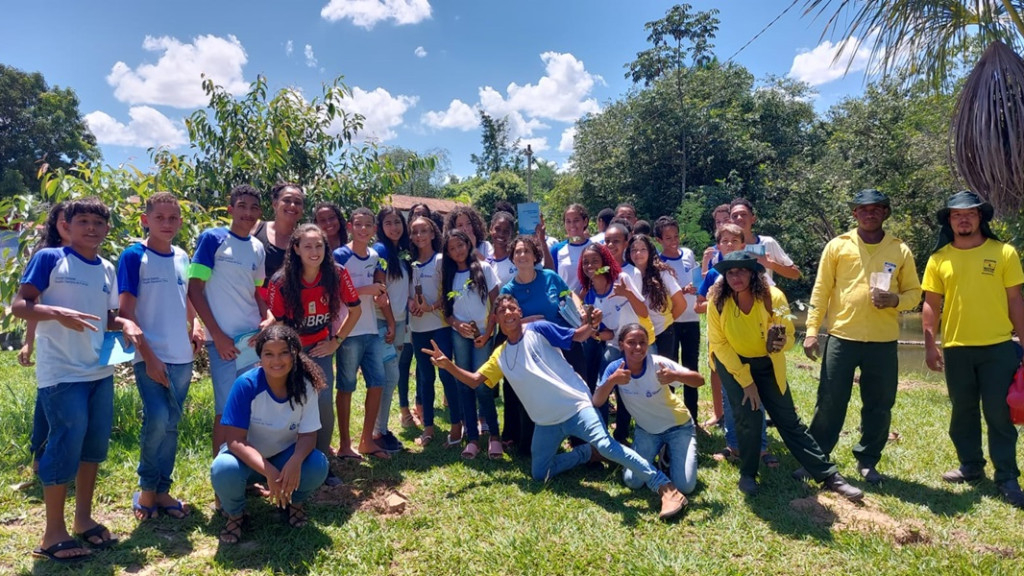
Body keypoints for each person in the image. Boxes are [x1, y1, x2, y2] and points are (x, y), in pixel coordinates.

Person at [421, 294, 688, 520]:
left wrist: (590, 325)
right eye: (501, 311)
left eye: (511, 308)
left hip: (576, 406)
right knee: (541, 474)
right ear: (496, 320)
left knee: (607, 444)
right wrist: (449, 365)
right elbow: (476, 380)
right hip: (546, 422)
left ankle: (665, 488)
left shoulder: (538, 329)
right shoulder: (500, 355)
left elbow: (577, 336)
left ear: (519, 312)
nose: (507, 313)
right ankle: (587, 454)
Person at [14, 197, 143, 561]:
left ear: (106, 229)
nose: (91, 228)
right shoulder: (51, 259)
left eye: (98, 223)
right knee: (64, 444)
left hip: (99, 370)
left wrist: (126, 323)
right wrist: (55, 312)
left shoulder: (106, 268)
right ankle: (51, 533)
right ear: (66, 226)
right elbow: (20, 305)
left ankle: (83, 519)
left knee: (93, 447)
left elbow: (108, 317)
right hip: (62, 372)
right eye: (82, 221)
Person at [706, 252, 862, 501]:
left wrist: (781, 343)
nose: (736, 277)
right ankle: (748, 473)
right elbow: (719, 343)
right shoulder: (717, 300)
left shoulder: (772, 297)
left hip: (768, 363)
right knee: (748, 417)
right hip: (732, 363)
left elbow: (789, 336)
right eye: (731, 272)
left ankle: (829, 475)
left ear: (753, 273)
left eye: (742, 271)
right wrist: (746, 382)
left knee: (788, 420)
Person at [801, 189, 921, 485]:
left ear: (885, 213)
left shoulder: (899, 249)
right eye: (863, 209)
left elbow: (914, 293)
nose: (870, 213)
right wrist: (812, 331)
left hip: (882, 341)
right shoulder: (837, 246)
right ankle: (816, 460)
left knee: (879, 403)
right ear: (854, 214)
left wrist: (895, 300)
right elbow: (821, 290)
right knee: (830, 400)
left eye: (877, 209)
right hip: (842, 336)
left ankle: (868, 460)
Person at [922, 190, 1024, 508]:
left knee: (998, 413)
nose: (963, 218)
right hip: (956, 348)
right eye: (956, 214)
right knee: (962, 411)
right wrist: (929, 344)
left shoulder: (1004, 253)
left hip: (998, 347)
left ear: (981, 218)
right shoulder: (939, 259)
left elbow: (1015, 301)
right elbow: (930, 305)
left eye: (970, 214)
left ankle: (1007, 476)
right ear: (949, 220)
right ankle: (971, 466)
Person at [118, 192, 204, 520]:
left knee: (171, 424)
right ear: (145, 220)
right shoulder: (133, 256)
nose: (167, 224)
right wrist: (149, 358)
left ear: (180, 222)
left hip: (182, 356)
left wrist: (195, 326)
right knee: (156, 420)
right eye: (159, 218)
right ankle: (146, 489)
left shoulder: (182, 256)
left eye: (173, 218)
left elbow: (188, 297)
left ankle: (164, 489)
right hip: (149, 355)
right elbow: (126, 312)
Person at [210, 325, 330, 544]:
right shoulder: (246, 385)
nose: (277, 361)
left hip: (284, 456)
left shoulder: (306, 386)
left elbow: (308, 434)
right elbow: (235, 441)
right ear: (260, 357)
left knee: (317, 464)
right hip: (246, 461)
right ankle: (236, 514)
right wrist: (269, 471)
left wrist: (294, 461)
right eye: (269, 354)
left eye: (284, 352)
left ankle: (294, 503)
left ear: (294, 354)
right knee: (223, 469)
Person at [267, 223, 362, 486]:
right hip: (291, 350)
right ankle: (281, 461)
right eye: (307, 245)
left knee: (322, 403)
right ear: (295, 249)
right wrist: (293, 356)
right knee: (289, 402)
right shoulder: (281, 281)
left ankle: (321, 464)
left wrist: (336, 341)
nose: (314, 251)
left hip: (321, 346)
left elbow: (355, 310)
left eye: (319, 245)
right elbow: (280, 324)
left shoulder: (337, 274)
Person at [188, 184, 273, 458]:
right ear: (230, 209)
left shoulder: (258, 247)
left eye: (254, 208)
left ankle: (244, 473)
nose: (248, 213)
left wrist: (268, 316)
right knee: (224, 411)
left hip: (252, 340)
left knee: (251, 407)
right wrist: (217, 335)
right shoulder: (212, 239)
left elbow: (256, 291)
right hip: (223, 342)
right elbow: (194, 289)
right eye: (242, 206)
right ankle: (221, 483)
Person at [499, 235, 589, 456]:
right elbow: (504, 322)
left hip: (563, 340)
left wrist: (581, 310)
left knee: (575, 388)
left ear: (535, 256)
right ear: (512, 258)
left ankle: (581, 440)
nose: (522, 256)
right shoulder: (508, 290)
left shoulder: (550, 277)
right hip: (533, 352)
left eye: (527, 251)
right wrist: (530, 321)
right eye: (518, 252)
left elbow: (568, 295)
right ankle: (531, 440)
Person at [596, 324, 704, 494]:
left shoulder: (658, 363)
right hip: (646, 431)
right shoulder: (615, 369)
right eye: (631, 342)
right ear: (621, 344)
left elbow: (699, 380)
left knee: (685, 487)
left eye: (642, 342)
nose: (638, 347)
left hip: (679, 427)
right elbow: (597, 401)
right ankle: (661, 452)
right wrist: (611, 381)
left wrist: (676, 376)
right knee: (632, 481)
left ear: (648, 344)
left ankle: (669, 452)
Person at [332, 207, 395, 460]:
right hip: (348, 330)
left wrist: (388, 315)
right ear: (349, 226)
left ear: (374, 229)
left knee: (377, 383)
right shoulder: (340, 255)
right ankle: (345, 444)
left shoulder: (375, 256)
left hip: (371, 328)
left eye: (368, 225)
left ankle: (367, 440)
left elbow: (380, 291)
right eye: (358, 224)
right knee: (346, 387)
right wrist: (367, 288)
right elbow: (335, 292)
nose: (363, 229)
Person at [580, 243, 652, 442]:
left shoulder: (622, 279)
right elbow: (606, 334)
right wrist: (594, 329)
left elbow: (644, 312)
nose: (590, 265)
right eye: (585, 262)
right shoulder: (590, 293)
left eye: (595, 261)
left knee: (632, 392)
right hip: (613, 345)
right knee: (602, 386)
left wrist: (627, 294)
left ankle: (624, 433)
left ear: (605, 262)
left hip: (636, 344)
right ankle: (602, 437)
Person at [19, 201, 70, 475]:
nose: (71, 226)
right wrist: (29, 341)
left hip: (80, 347)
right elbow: (31, 302)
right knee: (46, 400)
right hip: (53, 345)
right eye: (65, 220)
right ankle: (39, 456)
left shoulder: (89, 256)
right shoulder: (47, 256)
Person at [441, 229, 501, 459]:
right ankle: (473, 438)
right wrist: (457, 325)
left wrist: (487, 335)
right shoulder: (448, 275)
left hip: (483, 334)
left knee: (483, 384)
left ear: (468, 244)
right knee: (463, 385)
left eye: (461, 245)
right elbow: (447, 312)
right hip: (460, 335)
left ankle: (494, 436)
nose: (457, 251)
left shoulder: (484, 269)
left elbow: (496, 304)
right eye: (452, 248)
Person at [407, 215, 463, 447]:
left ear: (432, 233)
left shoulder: (441, 260)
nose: (419, 236)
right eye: (415, 232)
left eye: (424, 231)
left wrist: (431, 306)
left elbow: (449, 290)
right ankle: (428, 427)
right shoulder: (409, 264)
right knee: (425, 378)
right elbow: (407, 292)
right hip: (417, 328)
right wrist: (412, 303)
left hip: (439, 326)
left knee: (446, 375)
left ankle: (456, 425)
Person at [653, 216, 702, 423]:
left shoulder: (688, 254)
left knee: (691, 368)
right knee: (670, 369)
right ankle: (672, 417)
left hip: (691, 319)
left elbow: (697, 279)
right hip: (671, 322)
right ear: (659, 240)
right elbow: (660, 294)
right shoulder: (657, 263)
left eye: (676, 236)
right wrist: (680, 291)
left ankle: (693, 418)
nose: (673, 241)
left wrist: (696, 288)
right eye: (667, 238)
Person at [372, 206, 413, 453]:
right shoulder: (381, 251)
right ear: (380, 227)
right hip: (383, 322)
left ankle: (380, 428)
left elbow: (401, 291)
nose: (394, 227)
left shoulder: (402, 252)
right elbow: (380, 291)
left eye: (398, 222)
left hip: (397, 322)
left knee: (391, 376)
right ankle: (378, 431)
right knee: (389, 377)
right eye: (388, 222)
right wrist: (389, 321)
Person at [728, 198, 800, 281]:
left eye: (743, 214)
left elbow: (795, 274)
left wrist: (771, 264)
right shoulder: (726, 247)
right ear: (730, 222)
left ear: (753, 219)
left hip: (764, 293)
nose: (739, 218)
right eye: (734, 216)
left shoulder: (767, 242)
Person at [253, 182, 306, 284]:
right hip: (252, 298)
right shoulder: (255, 229)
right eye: (286, 200)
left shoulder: (304, 240)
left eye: (298, 202)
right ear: (275, 204)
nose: (292, 205)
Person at [550, 204, 593, 293]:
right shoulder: (556, 250)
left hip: (592, 304)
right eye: (568, 221)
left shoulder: (595, 248)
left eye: (576, 220)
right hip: (566, 304)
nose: (572, 225)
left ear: (585, 222)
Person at [487, 211, 517, 286]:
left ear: (511, 234)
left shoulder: (517, 258)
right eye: (497, 229)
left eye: (506, 231)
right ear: (491, 229)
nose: (501, 234)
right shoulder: (487, 264)